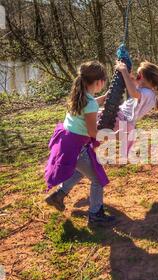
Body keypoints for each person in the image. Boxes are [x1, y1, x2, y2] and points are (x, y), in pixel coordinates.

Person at [45, 61, 115, 225]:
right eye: (104, 80)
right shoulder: (89, 103)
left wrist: (103, 99)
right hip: (77, 148)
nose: (104, 83)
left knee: (81, 171)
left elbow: (90, 104)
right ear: (98, 82)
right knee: (97, 179)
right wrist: (113, 136)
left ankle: (58, 195)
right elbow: (93, 133)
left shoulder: (79, 95)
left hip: (66, 143)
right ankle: (95, 215)